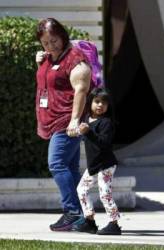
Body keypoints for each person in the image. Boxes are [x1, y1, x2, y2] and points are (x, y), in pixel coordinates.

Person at [35, 18, 91, 231]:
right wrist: (41, 60)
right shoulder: (49, 57)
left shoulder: (75, 59)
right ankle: (84, 214)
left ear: (63, 35)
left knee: (56, 163)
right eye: (46, 42)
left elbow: (81, 90)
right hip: (53, 119)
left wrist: (75, 120)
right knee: (70, 167)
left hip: (67, 121)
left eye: (54, 40)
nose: (51, 46)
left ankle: (72, 211)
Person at [76, 88, 121, 235]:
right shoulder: (87, 120)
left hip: (106, 165)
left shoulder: (106, 123)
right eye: (97, 101)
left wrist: (88, 132)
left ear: (108, 106)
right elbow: (84, 134)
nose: (100, 105)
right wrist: (77, 131)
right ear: (90, 103)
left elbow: (104, 143)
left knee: (105, 194)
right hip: (94, 165)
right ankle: (89, 221)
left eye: (104, 103)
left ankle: (114, 224)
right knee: (81, 190)